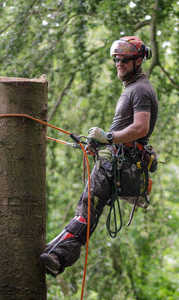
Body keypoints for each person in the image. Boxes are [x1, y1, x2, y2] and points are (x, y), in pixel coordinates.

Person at [40, 36, 158, 277]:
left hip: (116, 163)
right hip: (114, 159)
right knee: (87, 210)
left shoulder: (141, 90)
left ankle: (56, 256)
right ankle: (55, 254)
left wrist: (109, 137)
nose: (118, 63)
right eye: (116, 59)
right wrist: (101, 142)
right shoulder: (133, 88)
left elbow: (141, 128)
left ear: (138, 61)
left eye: (124, 59)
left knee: (86, 209)